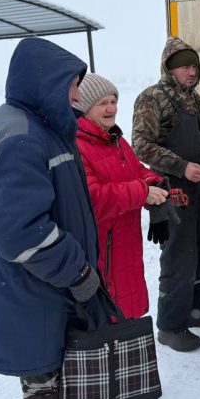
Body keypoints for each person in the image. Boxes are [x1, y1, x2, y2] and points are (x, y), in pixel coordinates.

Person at [0, 38, 109, 399]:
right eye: (73, 84)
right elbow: (19, 231)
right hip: (32, 297)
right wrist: (76, 271)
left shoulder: (35, 127)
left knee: (54, 391)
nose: (77, 94)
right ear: (48, 81)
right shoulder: (22, 138)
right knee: (46, 396)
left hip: (37, 294)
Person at [132, 36, 200, 352]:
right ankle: (170, 325)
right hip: (173, 189)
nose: (192, 72)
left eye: (195, 66)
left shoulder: (193, 99)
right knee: (178, 256)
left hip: (199, 189)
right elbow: (142, 146)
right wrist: (182, 166)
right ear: (170, 68)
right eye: (186, 66)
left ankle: (196, 309)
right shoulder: (152, 98)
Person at [74, 72, 182, 319]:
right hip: (102, 247)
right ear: (85, 107)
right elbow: (93, 198)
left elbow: (135, 170)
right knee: (108, 317)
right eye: (103, 103)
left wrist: (154, 182)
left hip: (125, 243)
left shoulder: (115, 139)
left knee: (127, 310)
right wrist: (142, 192)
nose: (111, 107)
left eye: (113, 101)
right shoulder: (78, 145)